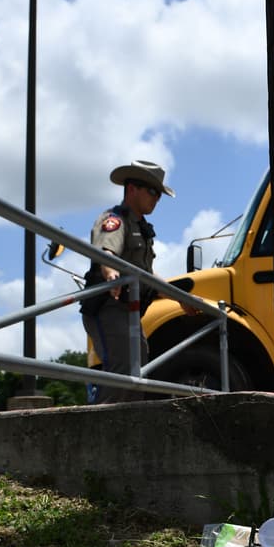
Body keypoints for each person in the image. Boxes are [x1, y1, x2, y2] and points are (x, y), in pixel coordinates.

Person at [81, 160, 175, 403]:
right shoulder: (115, 220)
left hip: (129, 313)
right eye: (152, 191)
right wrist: (111, 273)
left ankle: (129, 425)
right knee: (122, 368)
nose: (156, 199)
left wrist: (180, 298)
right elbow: (106, 253)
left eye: (159, 195)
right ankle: (100, 422)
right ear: (132, 188)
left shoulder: (142, 229)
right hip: (108, 307)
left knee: (138, 369)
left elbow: (146, 274)